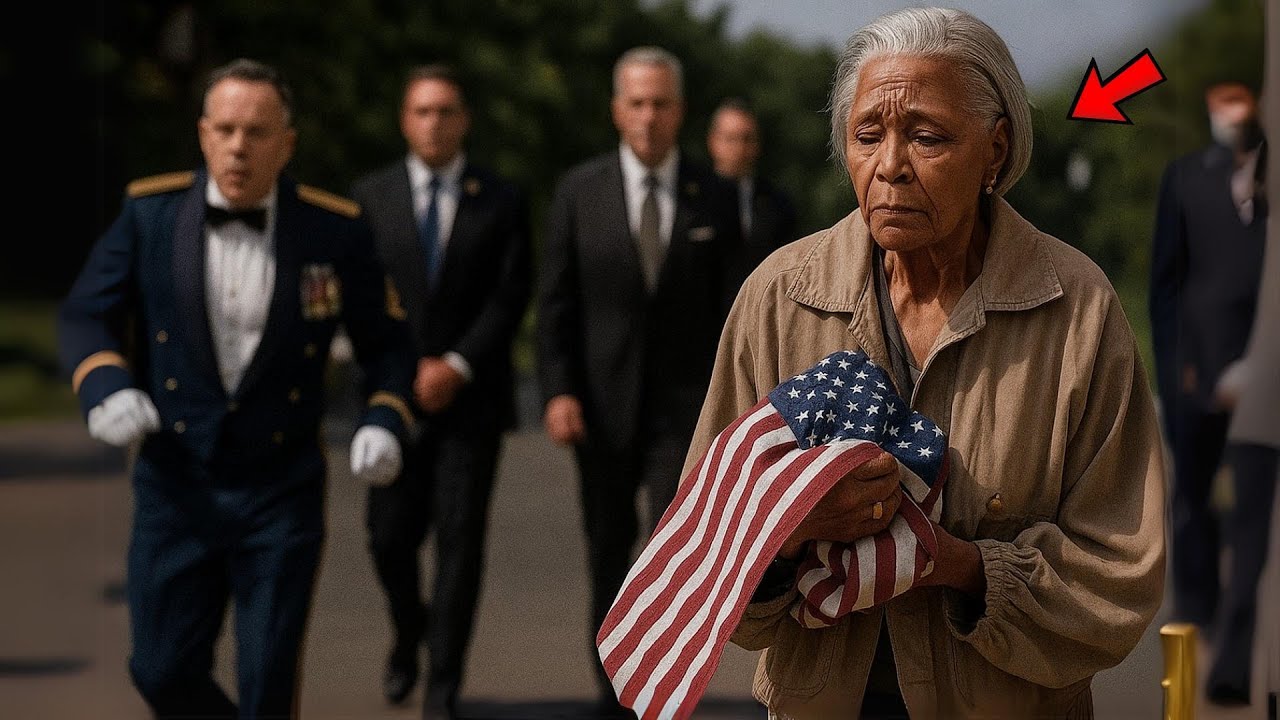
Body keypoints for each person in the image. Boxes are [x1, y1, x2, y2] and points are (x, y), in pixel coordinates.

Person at [687, 8, 1167, 717]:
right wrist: (795, 529)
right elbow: (707, 547)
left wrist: (953, 564)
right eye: (867, 136)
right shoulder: (780, 297)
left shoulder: (1077, 310)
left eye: (927, 137)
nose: (889, 166)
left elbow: (1117, 574)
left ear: (995, 152)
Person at [57, 58, 414, 718]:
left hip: (280, 490)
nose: (238, 147)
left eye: (256, 132)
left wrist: (384, 416)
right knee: (160, 670)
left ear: (287, 143)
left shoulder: (332, 229)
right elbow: (85, 313)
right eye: (224, 130)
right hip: (176, 483)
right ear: (202, 134)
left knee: (267, 681)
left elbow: (389, 342)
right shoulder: (151, 214)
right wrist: (105, 384)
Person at [535, 46, 742, 715]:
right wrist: (559, 390)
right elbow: (556, 304)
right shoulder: (579, 191)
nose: (649, 116)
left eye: (661, 103)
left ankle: (662, 690)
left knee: (673, 554)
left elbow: (735, 311)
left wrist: (736, 405)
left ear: (680, 111)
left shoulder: (714, 195)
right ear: (617, 110)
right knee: (607, 548)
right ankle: (613, 691)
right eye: (637, 103)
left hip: (686, 414)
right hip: (600, 409)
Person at [349, 63, 531, 719]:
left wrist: (456, 364)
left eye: (446, 111)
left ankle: (444, 686)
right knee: (387, 538)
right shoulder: (369, 198)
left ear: (464, 120)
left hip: (470, 403)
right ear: (405, 121)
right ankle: (409, 633)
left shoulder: (500, 199)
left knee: (459, 546)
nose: (434, 123)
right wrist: (402, 371)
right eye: (422, 111)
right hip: (392, 402)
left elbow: (510, 294)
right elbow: (359, 296)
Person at [1150, 79, 1275, 706]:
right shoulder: (1185, 179)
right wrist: (1178, 371)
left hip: (1265, 376)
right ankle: (1198, 612)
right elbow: (1166, 285)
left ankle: (1233, 660)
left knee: (1253, 516)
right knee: (1194, 499)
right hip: (1196, 374)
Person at [706, 97, 798, 266]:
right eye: (731, 139)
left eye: (747, 139)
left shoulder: (777, 203)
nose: (740, 148)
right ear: (713, 141)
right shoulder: (693, 201)